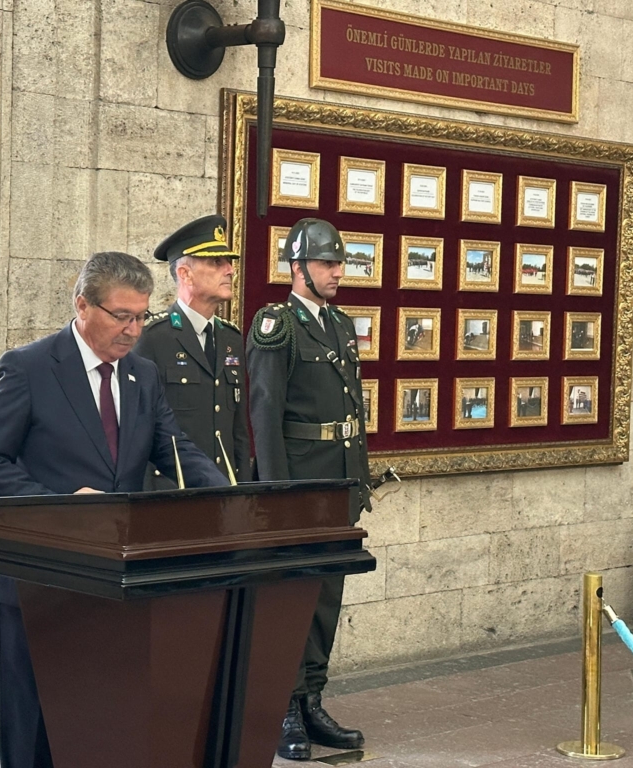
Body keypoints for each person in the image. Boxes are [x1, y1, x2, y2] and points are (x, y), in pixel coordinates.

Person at [0, 251, 229, 768]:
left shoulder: (143, 374)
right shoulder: (29, 367)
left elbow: (174, 447)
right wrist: (62, 506)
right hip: (41, 576)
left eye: (142, 317)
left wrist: (226, 497)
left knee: (101, 717)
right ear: (82, 305)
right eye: (122, 316)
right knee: (37, 724)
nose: (134, 331)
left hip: (114, 575)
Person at [246, 218, 371, 761]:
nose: (338, 271)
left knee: (325, 597)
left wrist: (358, 479)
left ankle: (313, 698)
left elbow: (351, 408)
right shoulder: (278, 326)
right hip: (298, 484)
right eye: (326, 263)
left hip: (337, 485)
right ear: (297, 268)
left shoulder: (339, 324)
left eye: (340, 263)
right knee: (290, 597)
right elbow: (264, 413)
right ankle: (286, 706)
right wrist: (277, 493)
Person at [135, 215, 250, 487]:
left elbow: (238, 430)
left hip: (224, 487)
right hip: (172, 491)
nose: (230, 270)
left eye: (229, 262)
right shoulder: (153, 338)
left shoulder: (231, 338)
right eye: (216, 262)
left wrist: (244, 489)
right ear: (185, 274)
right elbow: (139, 429)